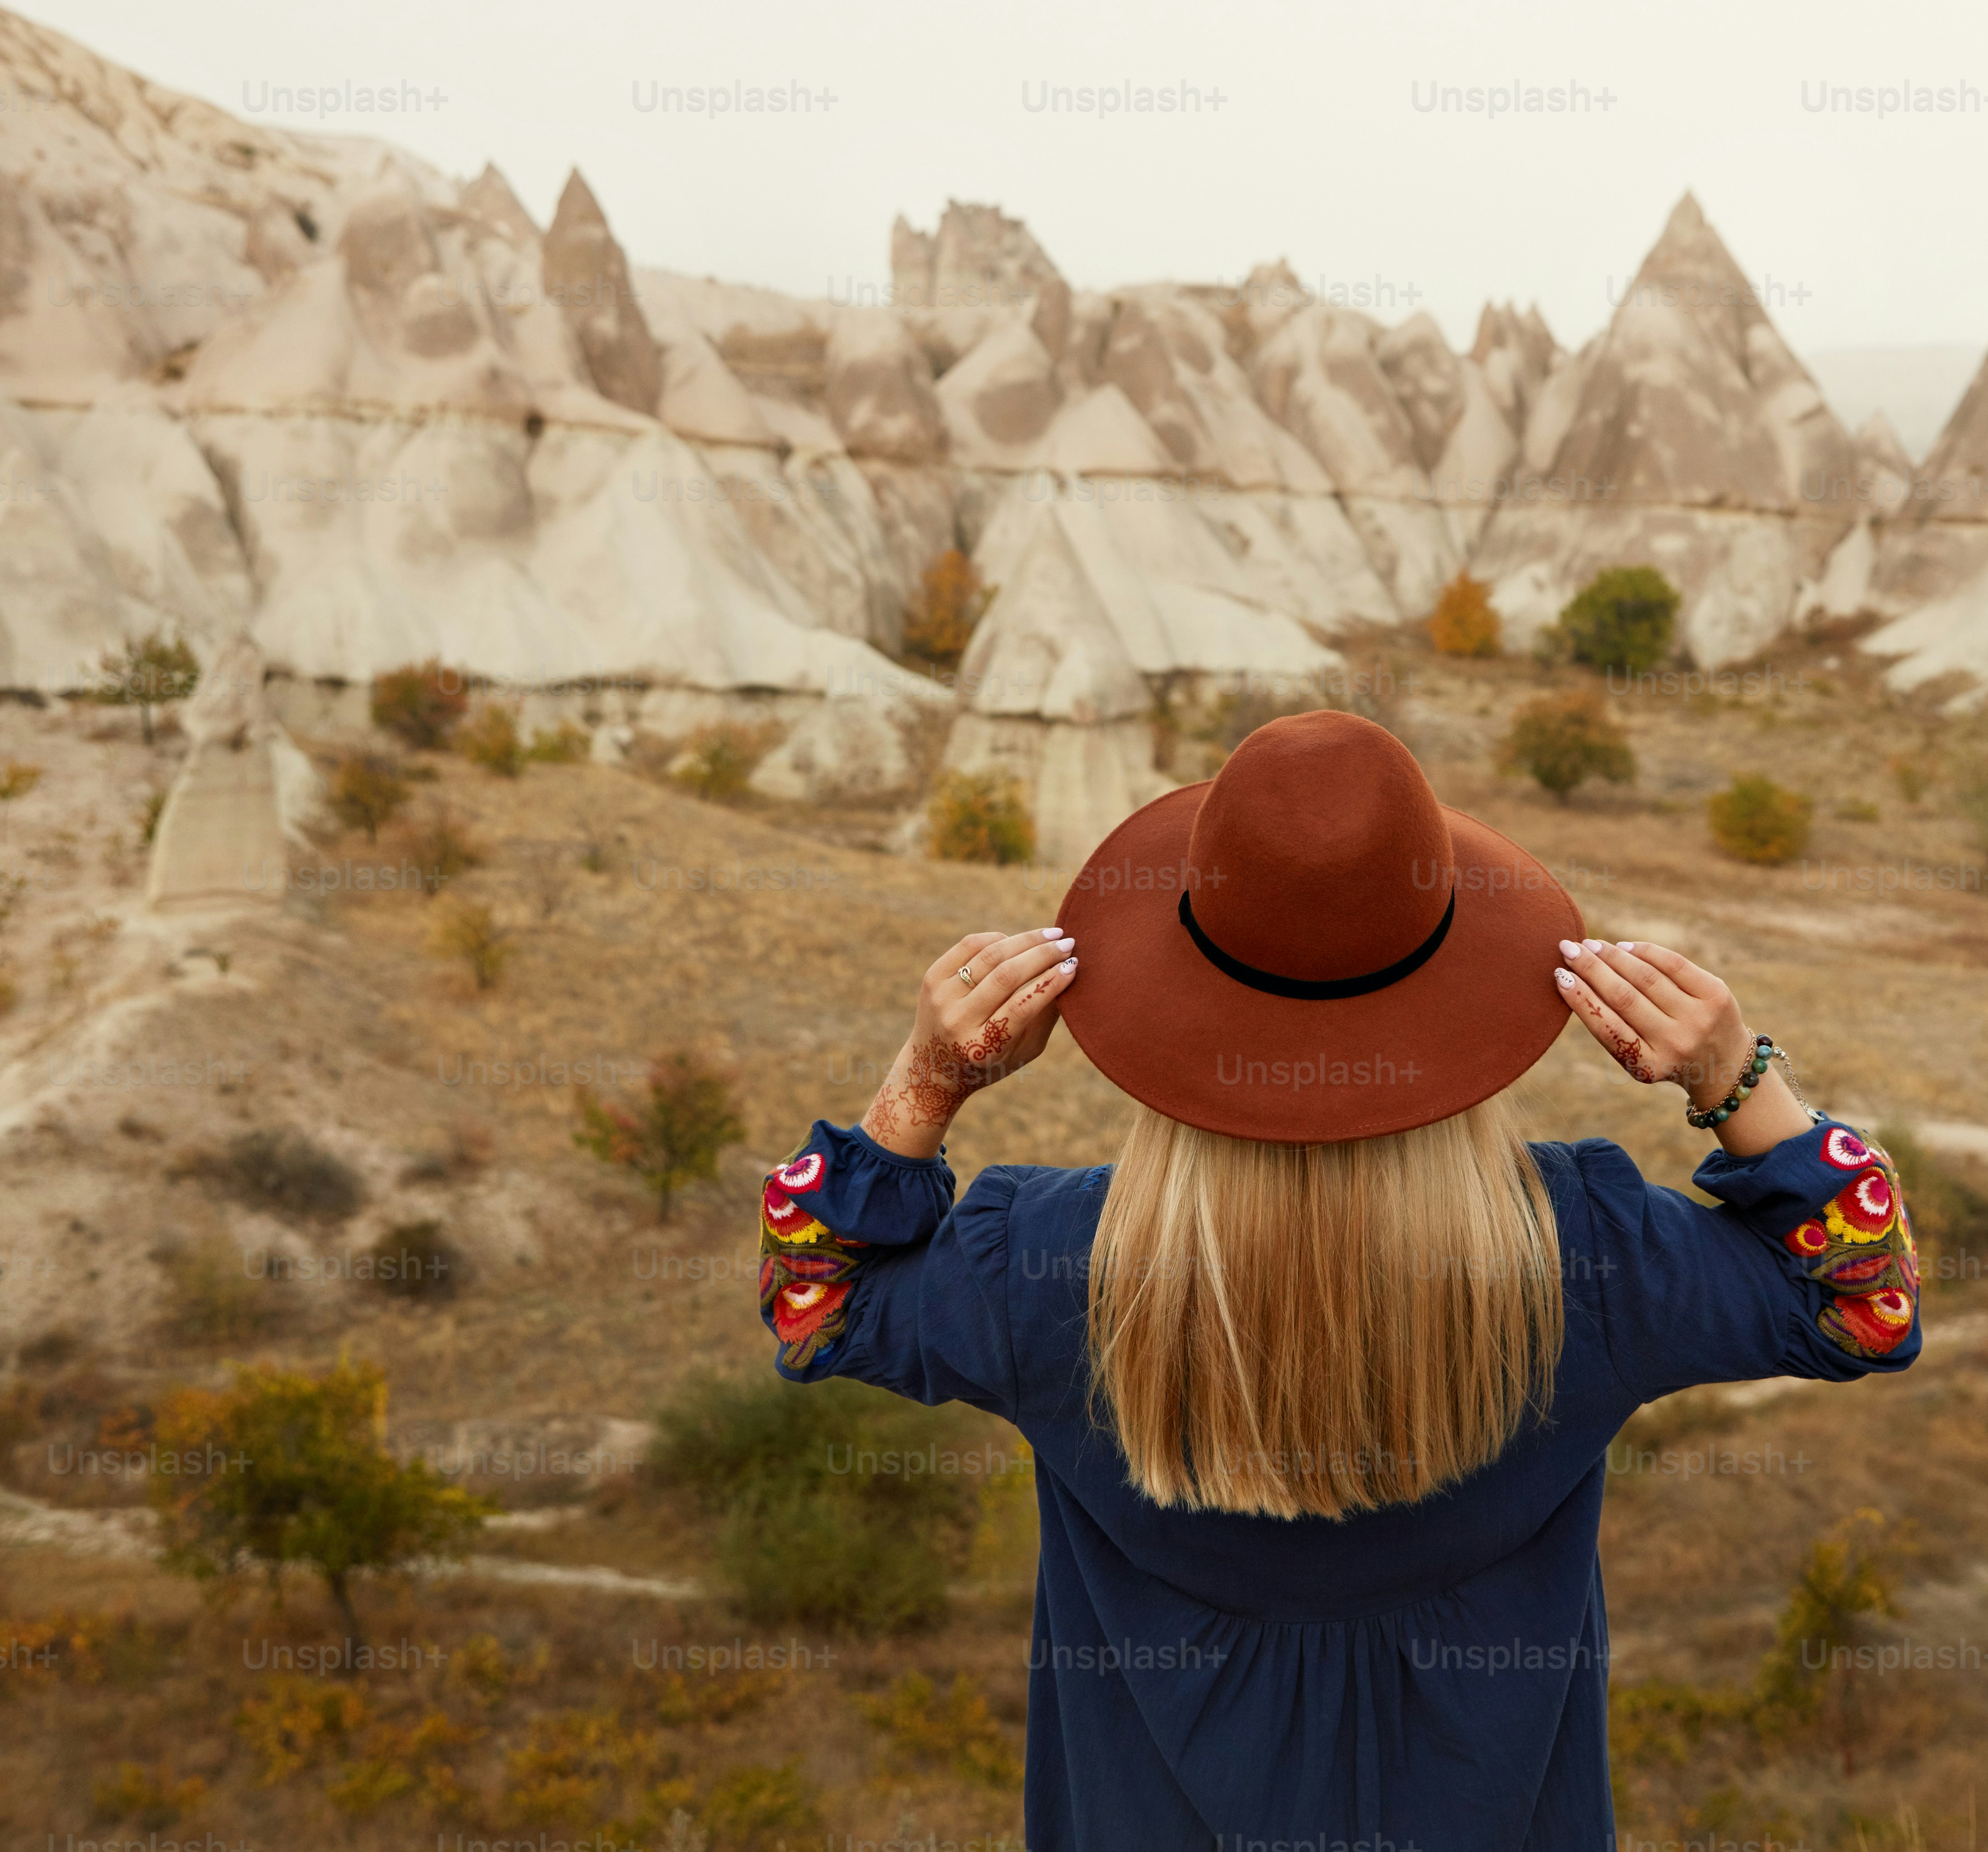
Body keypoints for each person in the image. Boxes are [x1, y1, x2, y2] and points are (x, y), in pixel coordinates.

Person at [755, 709, 1921, 1848]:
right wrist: (1734, 1078)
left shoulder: (1047, 1268)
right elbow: (1866, 1308)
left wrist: (928, 1080)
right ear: (1464, 983)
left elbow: (816, 1306)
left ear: (1168, 996)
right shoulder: (1584, 1257)